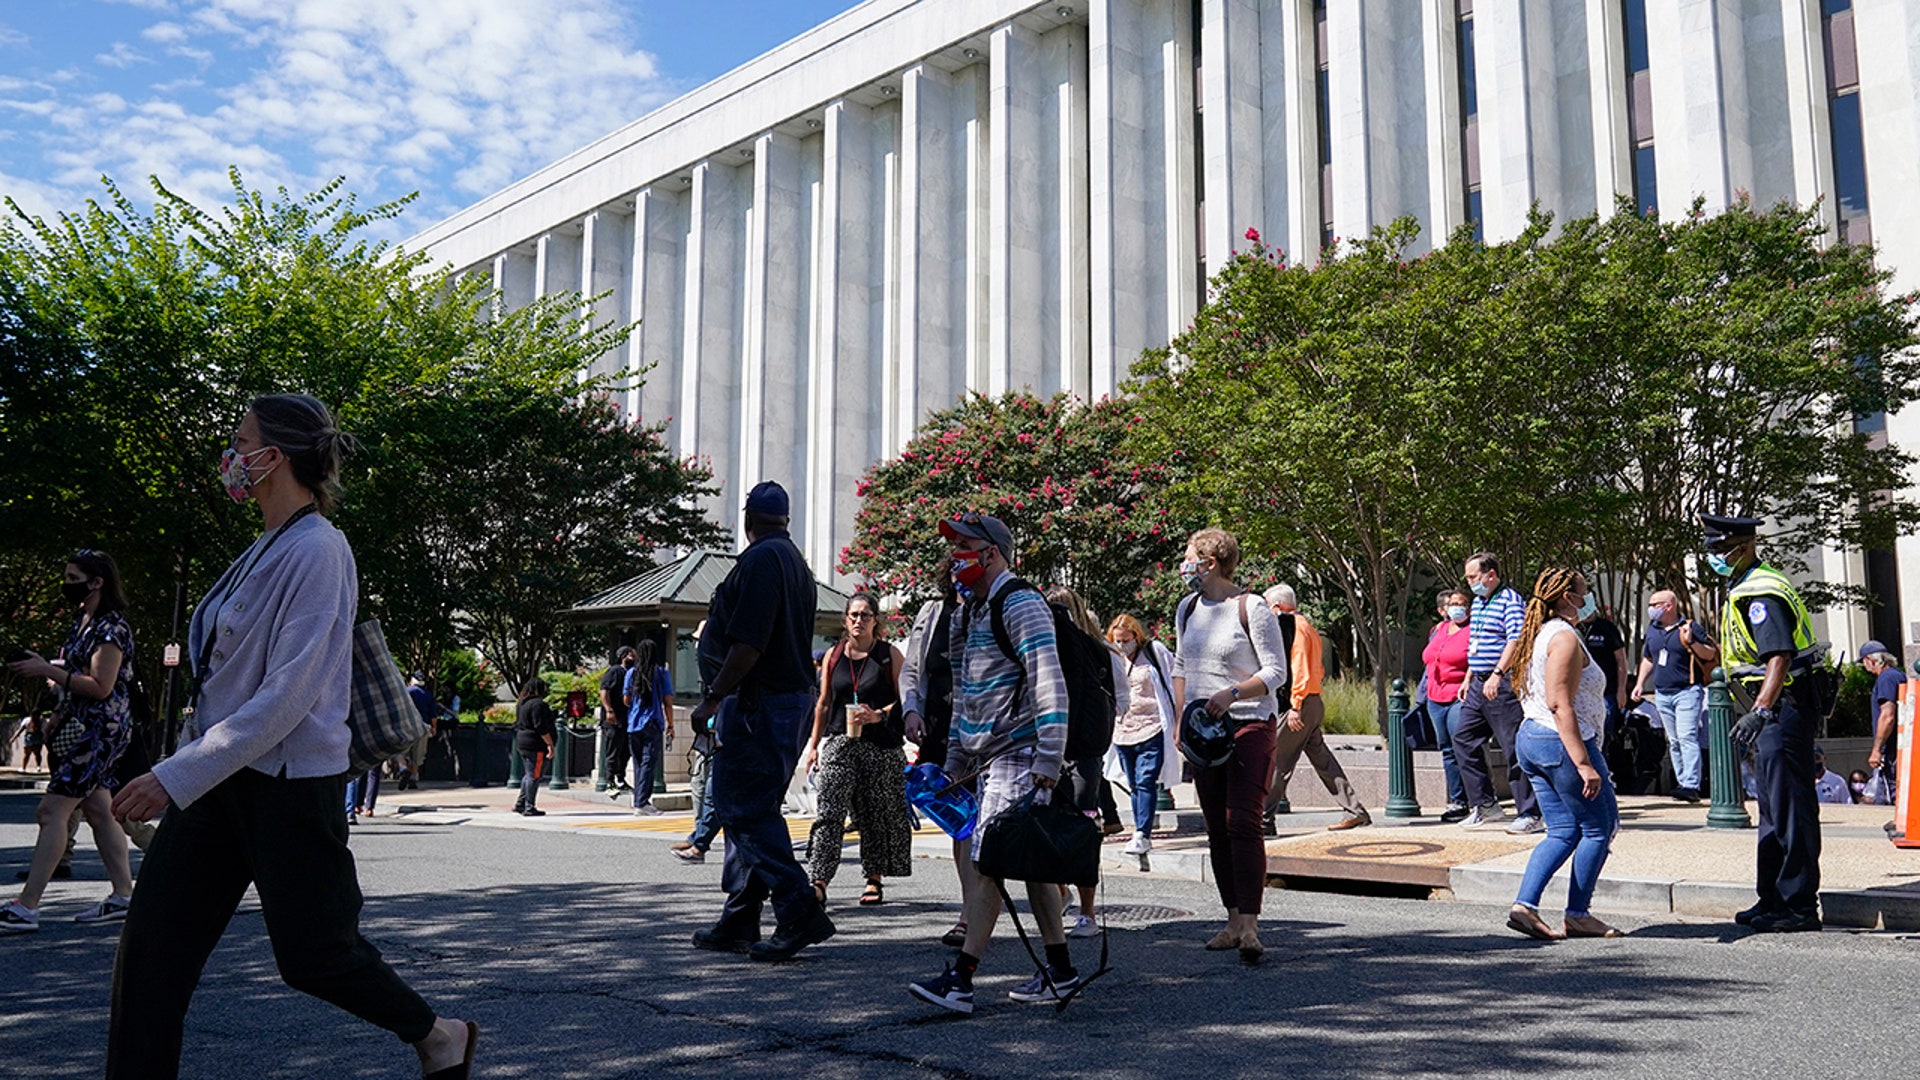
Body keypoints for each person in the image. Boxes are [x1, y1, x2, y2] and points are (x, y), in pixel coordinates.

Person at [106, 394, 475, 1078]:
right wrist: (188, 766)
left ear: (271, 457)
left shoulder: (319, 550)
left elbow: (287, 695)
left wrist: (172, 775)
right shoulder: (263, 547)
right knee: (150, 960)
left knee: (316, 958)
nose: (229, 454)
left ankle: (437, 1035)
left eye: (238, 441)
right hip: (219, 779)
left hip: (287, 788)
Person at [909, 511, 1076, 1013]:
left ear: (992, 552)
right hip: (986, 760)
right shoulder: (965, 613)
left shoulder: (1021, 604)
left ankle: (960, 979)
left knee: (987, 863)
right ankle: (1061, 971)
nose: (954, 554)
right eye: (952, 545)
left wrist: (1049, 756)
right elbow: (964, 695)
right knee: (1033, 868)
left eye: (964, 544)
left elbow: (1049, 682)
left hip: (1019, 755)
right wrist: (957, 761)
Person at [687, 481, 835, 963]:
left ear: (748, 518)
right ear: (785, 518)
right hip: (785, 702)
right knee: (757, 807)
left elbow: (747, 644)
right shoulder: (796, 564)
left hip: (759, 704)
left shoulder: (759, 561)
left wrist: (713, 698)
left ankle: (799, 910)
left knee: (743, 808)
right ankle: (742, 914)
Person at [2, 549, 138, 933]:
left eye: (73, 577)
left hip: (97, 732)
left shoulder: (111, 628)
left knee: (51, 812)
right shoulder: (84, 621)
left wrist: (46, 669)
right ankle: (123, 896)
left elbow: (100, 686)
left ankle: (26, 906)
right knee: (98, 810)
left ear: (98, 582)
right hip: (85, 728)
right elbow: (78, 674)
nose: (67, 584)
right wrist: (55, 697)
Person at [1703, 513, 1824, 933]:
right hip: (1773, 710)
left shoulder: (1761, 593)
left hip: (1780, 707)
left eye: (1721, 550)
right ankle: (1772, 897)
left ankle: (1799, 906)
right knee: (1772, 809)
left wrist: (1762, 709)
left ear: (1744, 545)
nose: (1715, 558)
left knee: (1790, 809)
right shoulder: (1745, 584)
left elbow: (1779, 656)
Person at [1172, 529, 1288, 963]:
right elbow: (1182, 665)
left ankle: (1252, 926)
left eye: (1189, 558)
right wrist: (1184, 717)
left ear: (1211, 562)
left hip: (1248, 727)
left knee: (1243, 821)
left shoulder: (1251, 607)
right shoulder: (1187, 608)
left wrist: (1233, 694)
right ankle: (1232, 920)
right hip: (1205, 734)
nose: (1184, 567)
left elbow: (1276, 671)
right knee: (1216, 826)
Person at [1504, 569, 1623, 940]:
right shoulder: (1564, 638)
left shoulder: (1539, 635)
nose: (1588, 600)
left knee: (1562, 831)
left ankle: (1525, 905)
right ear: (1567, 597)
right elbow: (1560, 705)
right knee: (1599, 828)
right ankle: (1578, 914)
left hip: (1534, 740)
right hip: (1563, 742)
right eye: (1584, 592)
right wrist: (1584, 763)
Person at [802, 591, 914, 907]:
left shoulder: (889, 655)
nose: (858, 621)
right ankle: (819, 881)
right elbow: (823, 704)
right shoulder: (834, 656)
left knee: (876, 814)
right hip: (840, 743)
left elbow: (907, 698)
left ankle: (873, 879)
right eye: (853, 615)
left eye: (865, 615)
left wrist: (878, 715)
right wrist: (814, 745)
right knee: (830, 811)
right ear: (845, 620)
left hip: (880, 745)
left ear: (875, 621)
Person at [1048, 585, 1129, 938]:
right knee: (1074, 827)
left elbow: (1119, 699)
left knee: (1071, 828)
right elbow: (1120, 700)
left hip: (1070, 750)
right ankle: (1079, 906)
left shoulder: (1095, 652)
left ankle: (1083, 908)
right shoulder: (1102, 652)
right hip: (1083, 751)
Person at [898, 562, 972, 944]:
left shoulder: (992, 608)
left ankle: (1052, 888)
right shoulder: (933, 611)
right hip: (940, 726)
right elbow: (912, 668)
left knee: (984, 821)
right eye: (955, 565)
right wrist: (911, 708)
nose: (962, 572)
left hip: (979, 726)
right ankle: (968, 910)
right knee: (961, 822)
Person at [1262, 585, 1370, 832]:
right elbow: (1315, 669)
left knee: (1276, 761)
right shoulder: (1307, 626)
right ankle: (1355, 810)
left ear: (1277, 607)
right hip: (1312, 701)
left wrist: (1295, 705)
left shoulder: (1294, 629)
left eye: (1267, 605)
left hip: (1300, 704)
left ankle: (1263, 821)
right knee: (1323, 761)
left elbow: (1300, 668)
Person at [1452, 553, 1543, 834]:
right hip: (1479, 682)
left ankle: (1530, 812)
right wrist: (1469, 676)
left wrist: (1498, 673)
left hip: (1500, 683)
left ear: (1490, 575)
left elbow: (1515, 640)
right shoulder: (1479, 603)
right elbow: (1477, 642)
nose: (1470, 583)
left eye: (1473, 577)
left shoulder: (1510, 600)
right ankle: (1485, 804)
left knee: (1512, 745)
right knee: (1463, 736)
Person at [1630, 590, 1715, 801]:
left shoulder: (1689, 627)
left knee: (1687, 736)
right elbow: (1648, 658)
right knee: (1675, 740)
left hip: (1687, 690)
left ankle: (1691, 784)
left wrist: (1691, 641)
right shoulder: (1652, 630)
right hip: (1662, 693)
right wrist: (1640, 684)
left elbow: (1710, 653)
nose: (1651, 608)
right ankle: (1682, 782)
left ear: (1668, 606)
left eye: (1654, 604)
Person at [1105, 613, 1177, 858]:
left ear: (1136, 635)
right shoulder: (1113, 657)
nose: (1122, 645)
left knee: (1146, 780)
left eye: (1126, 640)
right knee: (1134, 784)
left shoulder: (1154, 653)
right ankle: (1140, 828)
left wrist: (1179, 718)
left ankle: (1142, 834)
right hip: (1122, 730)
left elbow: (1175, 678)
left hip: (1152, 726)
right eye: (1117, 641)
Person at [673, 622, 722, 864]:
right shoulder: (709, 669)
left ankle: (700, 842)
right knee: (702, 786)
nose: (696, 645)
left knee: (714, 790)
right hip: (710, 738)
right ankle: (698, 837)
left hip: (722, 736)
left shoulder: (721, 667)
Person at [1422, 590, 1473, 821]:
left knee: (1462, 746)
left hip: (1458, 696)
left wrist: (1467, 681)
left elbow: (1475, 659)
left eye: (1461, 604)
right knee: (1447, 750)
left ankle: (1479, 798)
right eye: (1452, 604)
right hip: (1435, 696)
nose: (1456, 608)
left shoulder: (1472, 630)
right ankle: (1457, 801)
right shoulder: (1439, 630)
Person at [1579, 599, 1630, 796]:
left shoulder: (1607, 628)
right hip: (1582, 694)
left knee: (1604, 735)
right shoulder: (1574, 629)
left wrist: (1621, 690)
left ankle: (1605, 775)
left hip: (1606, 692)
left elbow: (1621, 660)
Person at [624, 640, 674, 815]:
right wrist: (671, 725)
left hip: (633, 724)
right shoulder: (661, 673)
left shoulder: (631, 673)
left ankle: (640, 800)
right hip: (653, 722)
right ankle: (642, 802)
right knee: (648, 763)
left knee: (639, 764)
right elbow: (667, 702)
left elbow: (626, 700)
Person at [1860, 641, 1904, 808]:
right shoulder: (1896, 675)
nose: (1864, 668)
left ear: (1871, 660)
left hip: (1893, 750)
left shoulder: (1886, 678)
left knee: (1894, 796)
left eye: (1863, 662)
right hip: (1899, 747)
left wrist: (1877, 750)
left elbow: (1887, 716)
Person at [512, 677, 557, 816]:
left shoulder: (522, 703)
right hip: (535, 744)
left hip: (522, 741)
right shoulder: (538, 705)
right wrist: (550, 744)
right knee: (534, 775)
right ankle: (529, 807)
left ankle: (521, 803)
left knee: (529, 774)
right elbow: (540, 726)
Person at [600, 647, 634, 794]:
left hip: (628, 718)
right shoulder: (614, 671)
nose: (634, 657)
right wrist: (609, 710)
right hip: (614, 718)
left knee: (625, 751)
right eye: (631, 654)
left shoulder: (632, 673)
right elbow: (604, 690)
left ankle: (621, 778)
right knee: (613, 749)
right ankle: (609, 781)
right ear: (623, 656)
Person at [398, 672, 435, 790]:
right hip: (423, 727)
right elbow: (433, 716)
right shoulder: (428, 695)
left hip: (406, 726)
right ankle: (413, 778)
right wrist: (434, 728)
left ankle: (403, 769)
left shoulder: (405, 692)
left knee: (399, 751)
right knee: (417, 756)